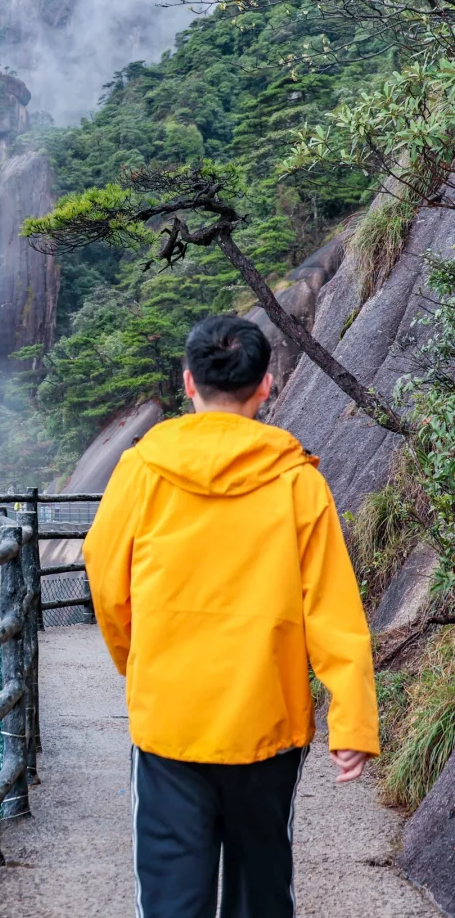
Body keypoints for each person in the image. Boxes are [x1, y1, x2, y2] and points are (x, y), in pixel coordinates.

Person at [82, 313, 378, 918]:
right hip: (265, 718)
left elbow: (106, 580)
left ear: (188, 382)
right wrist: (351, 719)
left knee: (171, 895)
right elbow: (332, 607)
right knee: (262, 892)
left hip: (170, 720)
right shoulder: (296, 482)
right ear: (264, 385)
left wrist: (136, 661)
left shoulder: (142, 471)